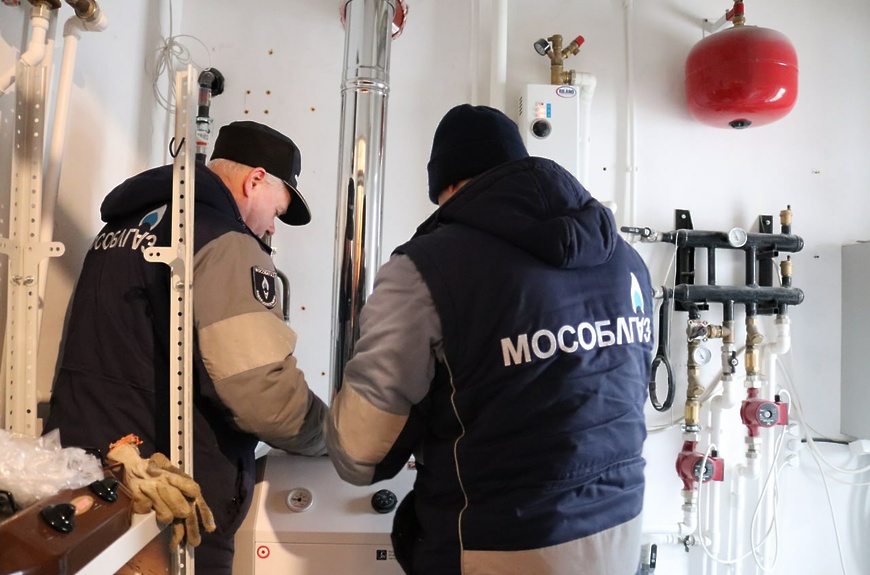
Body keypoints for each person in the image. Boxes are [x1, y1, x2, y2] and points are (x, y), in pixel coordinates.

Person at [325, 104, 653, 575]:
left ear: (449, 188)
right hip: (621, 537)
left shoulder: (427, 268)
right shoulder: (625, 259)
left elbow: (362, 455)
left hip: (499, 545)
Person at [44, 120, 326, 574]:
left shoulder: (119, 230)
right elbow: (264, 397)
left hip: (89, 481)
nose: (273, 228)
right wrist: (329, 434)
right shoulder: (225, 240)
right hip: (173, 502)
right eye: (277, 210)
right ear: (255, 180)